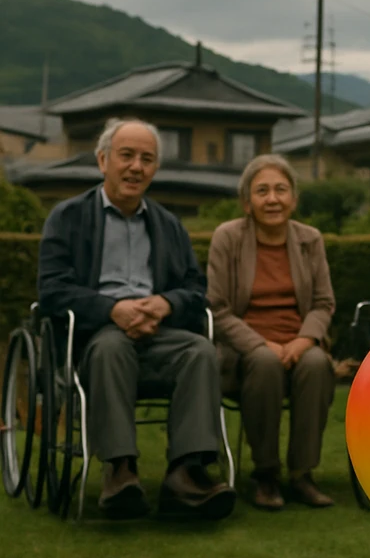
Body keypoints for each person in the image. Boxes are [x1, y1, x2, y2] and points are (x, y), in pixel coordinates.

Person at [37, 118, 235, 521]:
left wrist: (164, 304)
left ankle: (186, 473)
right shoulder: (68, 217)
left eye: (147, 159)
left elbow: (195, 290)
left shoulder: (168, 225)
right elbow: (52, 290)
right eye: (126, 156)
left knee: (199, 350)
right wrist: (112, 309)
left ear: (155, 169)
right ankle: (120, 470)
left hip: (159, 334)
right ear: (102, 160)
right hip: (96, 336)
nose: (136, 167)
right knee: (112, 346)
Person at [207, 154, 336, 511]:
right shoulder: (227, 238)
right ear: (247, 202)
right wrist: (261, 343)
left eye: (281, 189)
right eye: (262, 191)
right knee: (264, 362)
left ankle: (302, 474)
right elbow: (216, 308)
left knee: (316, 364)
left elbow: (324, 303)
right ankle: (265, 474)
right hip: (243, 352)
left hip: (298, 343)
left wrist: (302, 341)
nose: (273, 199)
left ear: (294, 198)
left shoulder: (310, 240)